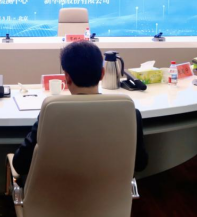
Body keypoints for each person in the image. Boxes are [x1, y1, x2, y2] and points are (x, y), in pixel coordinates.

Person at [12, 41, 148, 186]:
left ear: (67, 77)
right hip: (111, 198)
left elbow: (20, 165)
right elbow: (140, 164)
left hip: (56, 197)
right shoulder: (130, 114)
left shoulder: (51, 114)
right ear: (102, 74)